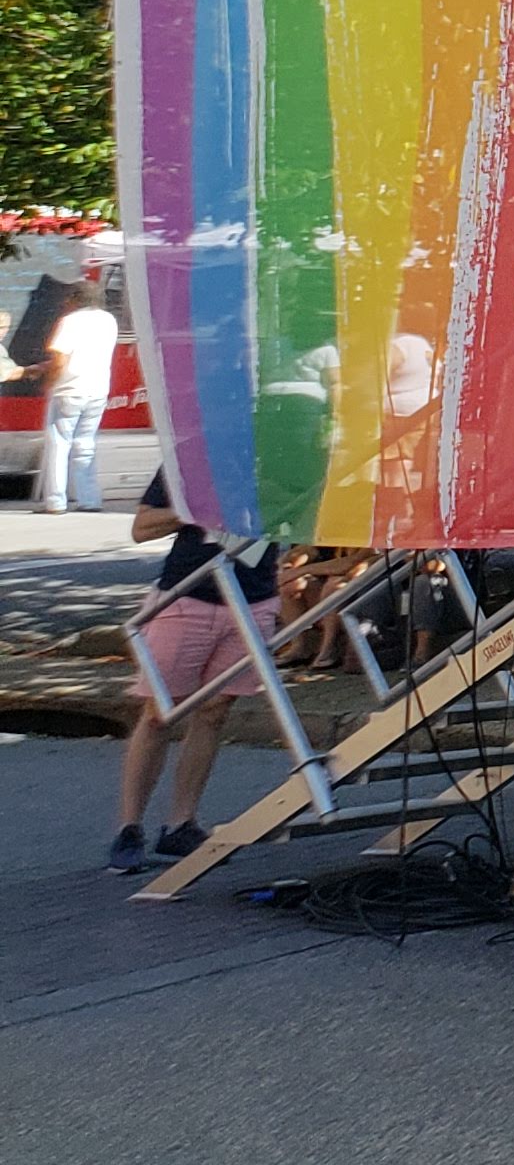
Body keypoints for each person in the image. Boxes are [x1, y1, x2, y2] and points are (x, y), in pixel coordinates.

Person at [108, 493, 281, 872]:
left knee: (215, 711)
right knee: (159, 713)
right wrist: (198, 510)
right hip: (188, 595)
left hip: (254, 598)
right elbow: (142, 527)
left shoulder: (286, 452)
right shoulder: (192, 449)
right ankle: (129, 828)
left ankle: (181, 823)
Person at [31, 277, 118, 514]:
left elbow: (61, 358)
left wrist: (49, 382)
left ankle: (55, 501)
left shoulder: (69, 321)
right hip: (98, 389)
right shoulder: (108, 320)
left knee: (59, 444)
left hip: (68, 390)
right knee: (86, 445)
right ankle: (89, 499)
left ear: (75, 299)